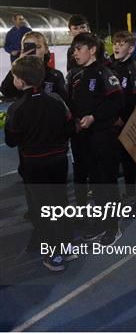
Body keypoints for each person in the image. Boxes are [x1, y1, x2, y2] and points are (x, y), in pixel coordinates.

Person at [4, 55, 75, 271]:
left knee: (42, 210)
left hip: (34, 165)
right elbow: (70, 128)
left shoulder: (16, 108)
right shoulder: (55, 99)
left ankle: (55, 256)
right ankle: (66, 246)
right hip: (59, 161)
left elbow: (10, 141)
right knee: (60, 203)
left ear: (20, 81)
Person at [66, 33, 124, 246]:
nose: (75, 53)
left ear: (92, 49)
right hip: (84, 140)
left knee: (107, 184)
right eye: (74, 49)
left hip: (103, 137)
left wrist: (95, 117)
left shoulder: (104, 73)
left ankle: (113, 226)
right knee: (95, 184)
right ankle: (101, 223)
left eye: (79, 48)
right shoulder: (77, 75)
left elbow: (117, 102)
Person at [109, 31, 136, 206]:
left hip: (133, 125)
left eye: (122, 44)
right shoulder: (113, 67)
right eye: (115, 43)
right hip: (119, 124)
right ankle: (130, 193)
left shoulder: (135, 70)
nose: (117, 46)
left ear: (131, 48)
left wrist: (124, 119)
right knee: (126, 162)